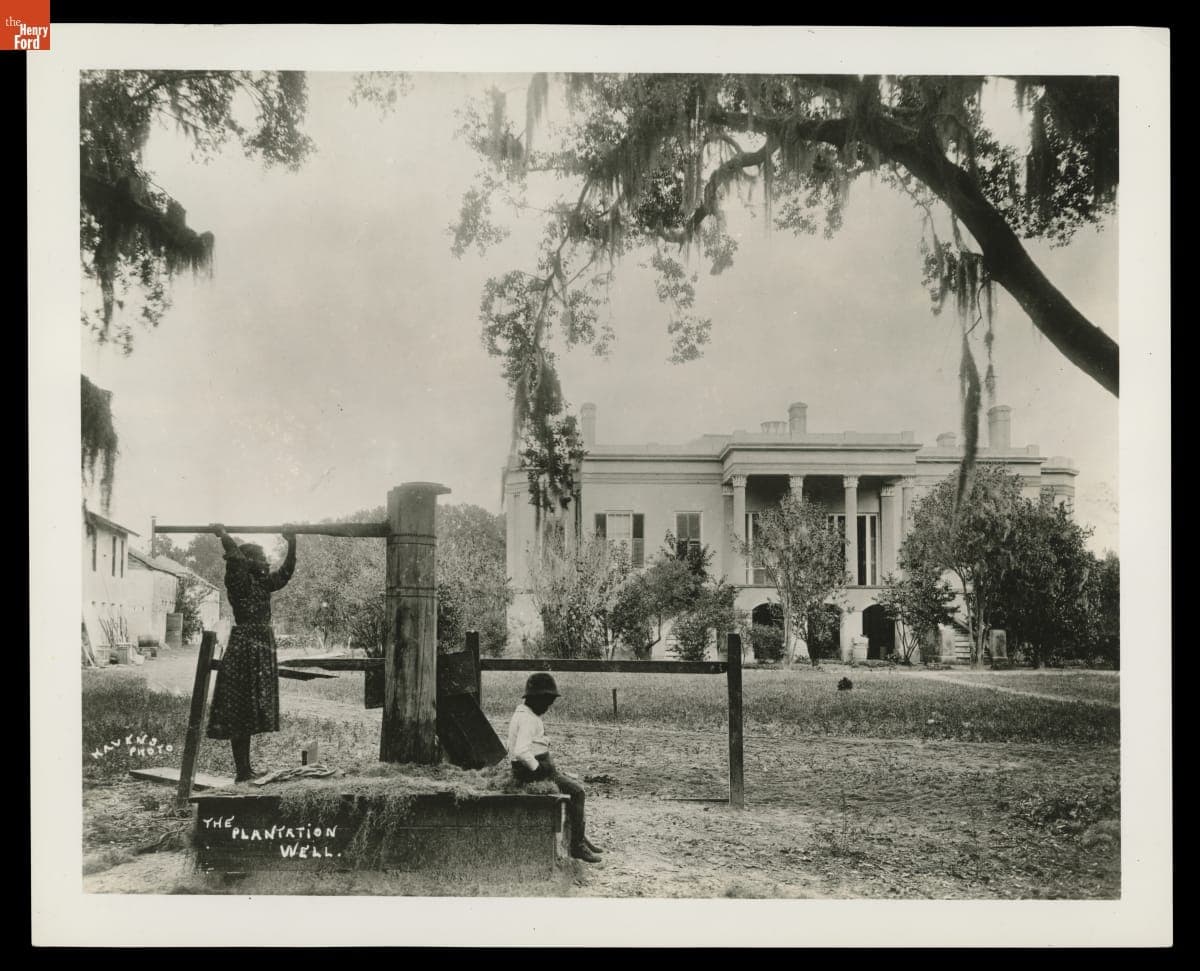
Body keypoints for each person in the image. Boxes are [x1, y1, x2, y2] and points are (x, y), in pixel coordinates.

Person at [205, 523, 297, 782]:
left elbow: (286, 573)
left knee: (249, 712)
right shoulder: (239, 582)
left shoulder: (262, 583)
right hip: (245, 647)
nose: (267, 564)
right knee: (239, 712)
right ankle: (242, 771)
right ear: (249, 562)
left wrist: (292, 543)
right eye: (263, 559)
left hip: (260, 647)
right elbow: (235, 560)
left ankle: (245, 770)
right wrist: (225, 537)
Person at [507, 672, 604, 863]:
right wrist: (538, 769)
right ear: (535, 698)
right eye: (546, 702)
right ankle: (577, 845)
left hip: (534, 769)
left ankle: (579, 835)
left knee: (570, 786)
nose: (548, 707)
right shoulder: (528, 719)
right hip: (533, 773)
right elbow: (520, 751)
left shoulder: (523, 714)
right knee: (577, 792)